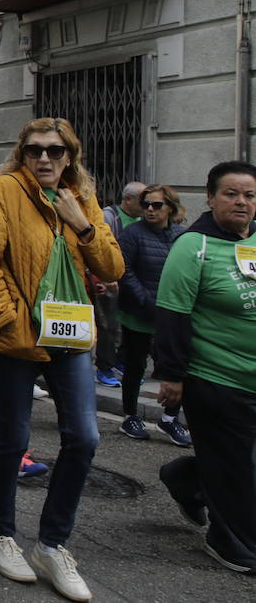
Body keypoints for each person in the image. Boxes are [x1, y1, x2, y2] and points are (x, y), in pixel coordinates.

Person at [0, 118, 123, 602]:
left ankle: (52, 545)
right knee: (13, 439)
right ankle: (1, 538)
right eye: (34, 150)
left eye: (55, 151)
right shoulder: (5, 191)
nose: (44, 159)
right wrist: (9, 318)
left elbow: (112, 267)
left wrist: (81, 223)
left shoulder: (81, 198)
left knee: (84, 436)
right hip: (15, 337)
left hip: (70, 335)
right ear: (22, 153)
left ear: (70, 155)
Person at [154, 161, 256, 574]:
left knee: (234, 459)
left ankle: (185, 478)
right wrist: (172, 375)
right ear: (211, 198)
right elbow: (172, 313)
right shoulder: (192, 245)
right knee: (235, 462)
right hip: (215, 377)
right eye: (231, 194)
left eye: (249, 195)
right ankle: (229, 539)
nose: (241, 202)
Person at [116, 184, 189, 445]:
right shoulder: (132, 233)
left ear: (170, 207)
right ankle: (130, 416)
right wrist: (146, 301)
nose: (149, 209)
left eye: (156, 205)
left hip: (172, 317)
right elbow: (124, 270)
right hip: (139, 313)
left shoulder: (183, 235)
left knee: (176, 368)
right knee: (135, 367)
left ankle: (170, 418)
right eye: (145, 204)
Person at [94, 181, 146, 387]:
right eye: (143, 201)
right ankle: (105, 368)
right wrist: (102, 278)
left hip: (132, 280)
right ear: (128, 199)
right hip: (109, 280)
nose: (147, 206)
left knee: (129, 325)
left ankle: (122, 362)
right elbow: (99, 249)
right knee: (108, 325)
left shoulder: (142, 219)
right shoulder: (108, 217)